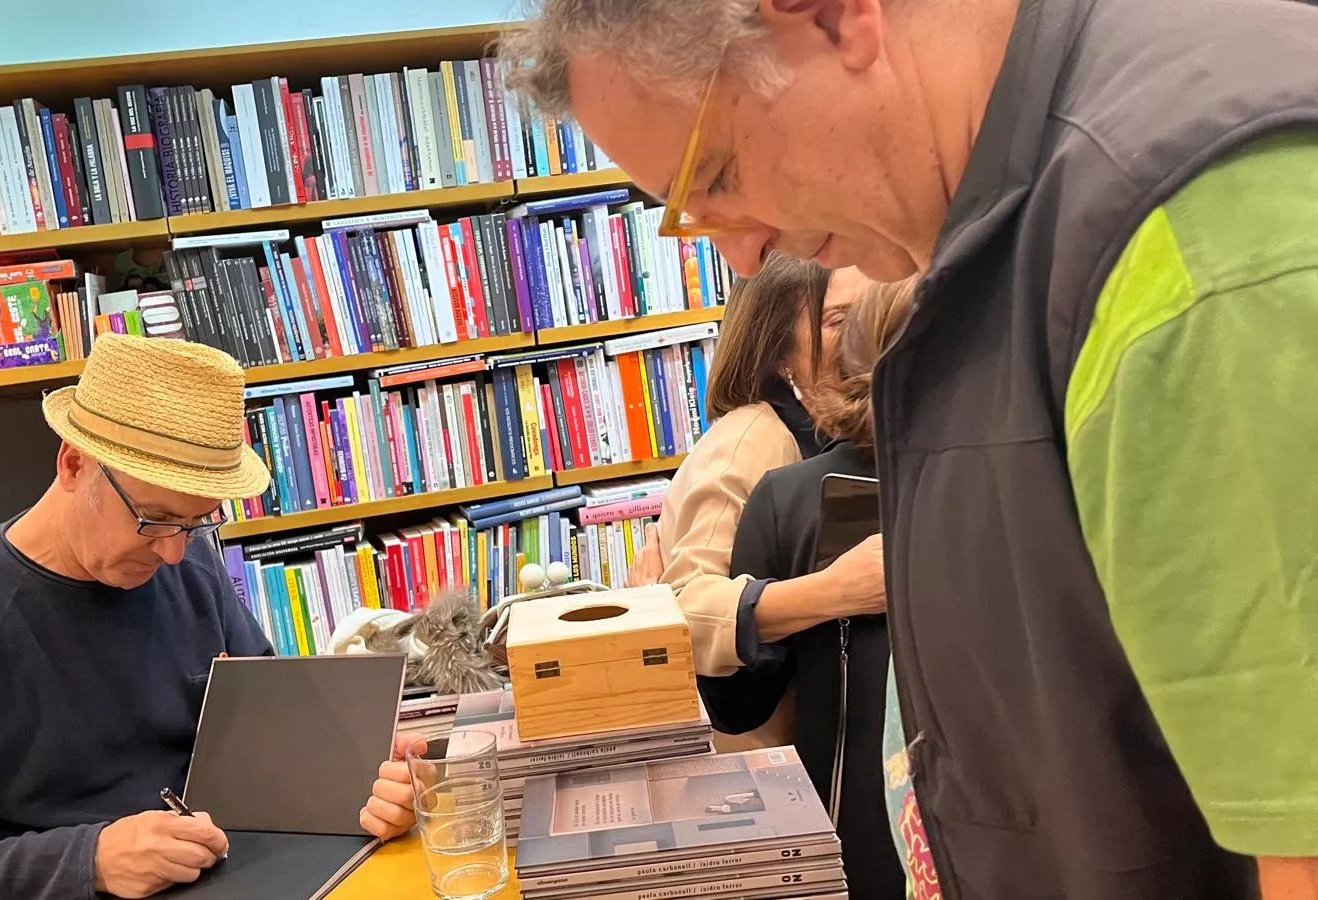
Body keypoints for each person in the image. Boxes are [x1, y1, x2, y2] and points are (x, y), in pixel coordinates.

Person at [501, 1, 1318, 898]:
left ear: (833, 13)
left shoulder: (1193, 220)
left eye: (721, 174)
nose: (742, 255)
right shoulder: (992, 237)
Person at [0, 334, 421, 900]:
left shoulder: (188, 565)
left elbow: (273, 735)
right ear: (72, 463)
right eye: (154, 518)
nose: (173, 552)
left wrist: (360, 780)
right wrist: (86, 862)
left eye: (198, 523)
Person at [707, 278, 915, 900]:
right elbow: (738, 702)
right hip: (878, 832)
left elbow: (735, 704)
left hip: (857, 836)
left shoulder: (786, 497)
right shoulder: (787, 497)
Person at [639, 254, 836, 677]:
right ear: (780, 357)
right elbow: (686, 607)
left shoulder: (820, 433)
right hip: (751, 733)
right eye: (837, 321)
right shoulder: (752, 439)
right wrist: (837, 591)